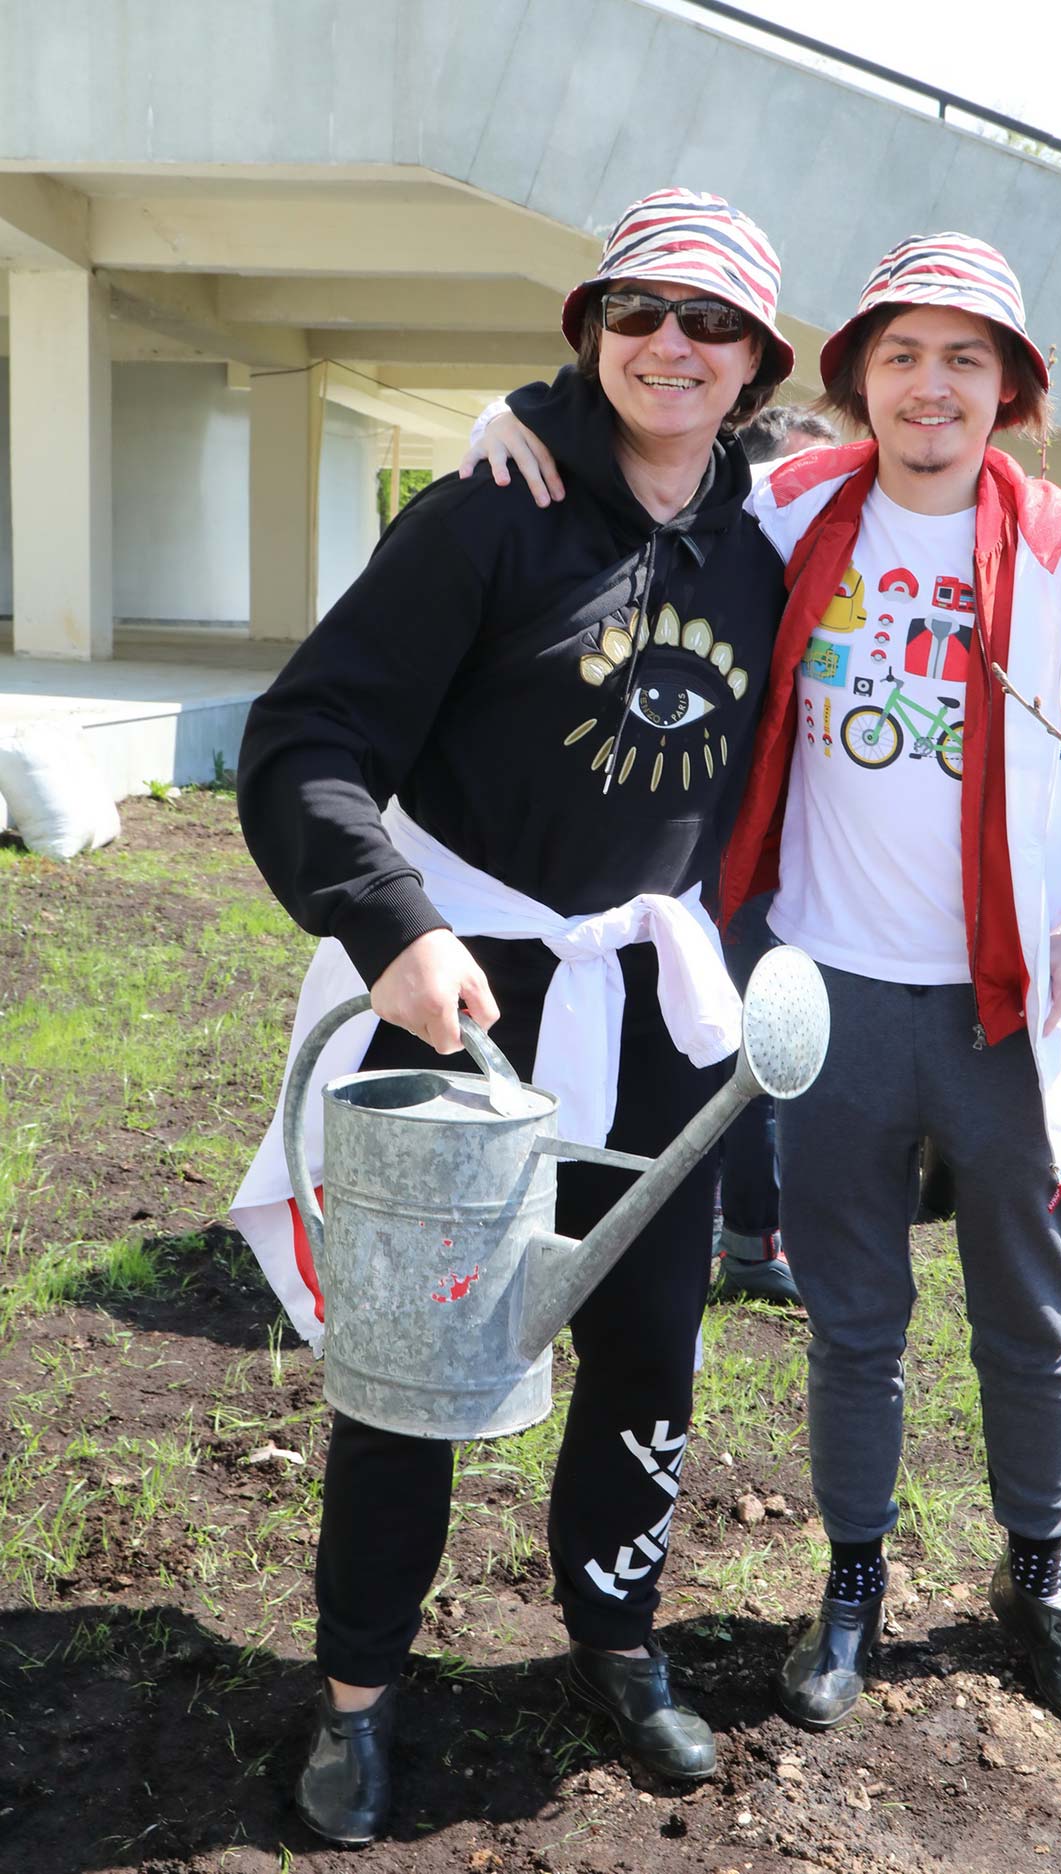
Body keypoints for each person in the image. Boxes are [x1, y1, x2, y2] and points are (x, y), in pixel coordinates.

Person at [467, 231, 1061, 1745]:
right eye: (900, 354)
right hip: (827, 999)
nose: (930, 386)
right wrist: (510, 420)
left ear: (1009, 388)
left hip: (1007, 1015)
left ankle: (1039, 1578)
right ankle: (851, 1584)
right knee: (853, 1317)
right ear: (855, 379)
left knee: (1028, 1314)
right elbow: (642, 464)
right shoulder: (793, 506)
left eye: (965, 358)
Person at [231, 187, 796, 1842]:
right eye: (638, 311)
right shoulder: (490, 510)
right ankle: (356, 1691)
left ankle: (617, 1631)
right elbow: (309, 738)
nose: (672, 343)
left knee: (648, 1349)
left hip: (657, 1010)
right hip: (462, 1003)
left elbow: (922, 479)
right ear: (588, 331)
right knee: (413, 1357)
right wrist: (391, 923)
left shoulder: (763, 547)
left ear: (758, 363)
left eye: (712, 321)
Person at [716, 404, 839, 1304]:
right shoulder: (726, 568)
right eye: (801, 480)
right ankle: (749, 1236)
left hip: (810, 859)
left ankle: (753, 1229)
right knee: (746, 1043)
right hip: (731, 857)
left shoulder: (831, 582)